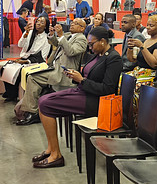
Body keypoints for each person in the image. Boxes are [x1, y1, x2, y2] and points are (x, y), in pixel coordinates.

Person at [32, 27, 122, 168]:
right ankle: (51, 148)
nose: (90, 47)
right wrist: (75, 76)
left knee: (45, 104)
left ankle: (56, 155)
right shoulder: (97, 55)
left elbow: (108, 89)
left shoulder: (113, 58)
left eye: (92, 44)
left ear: (103, 41)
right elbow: (88, 76)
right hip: (83, 92)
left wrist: (82, 80)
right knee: (42, 100)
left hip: (96, 102)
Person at [14, 18, 88, 125]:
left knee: (33, 78)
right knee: (30, 75)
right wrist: (53, 35)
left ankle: (32, 112)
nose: (72, 24)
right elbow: (56, 44)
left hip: (63, 73)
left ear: (82, 28)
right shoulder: (68, 35)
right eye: (72, 22)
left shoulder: (82, 39)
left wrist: (61, 36)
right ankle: (31, 109)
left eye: (76, 23)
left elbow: (71, 51)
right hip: (53, 67)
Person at [127, 15, 157, 122]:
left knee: (136, 87)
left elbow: (154, 64)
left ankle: (138, 121)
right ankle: (126, 118)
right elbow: (132, 60)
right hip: (140, 71)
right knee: (123, 80)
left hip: (153, 75)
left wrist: (142, 47)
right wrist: (130, 48)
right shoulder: (147, 41)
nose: (148, 27)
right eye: (147, 25)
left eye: (151, 25)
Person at [2, 16, 51, 102]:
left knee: (19, 71)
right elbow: (20, 45)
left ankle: (14, 94)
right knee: (4, 68)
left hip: (36, 61)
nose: (38, 23)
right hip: (24, 58)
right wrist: (26, 33)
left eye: (42, 22)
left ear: (45, 26)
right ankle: (11, 94)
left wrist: (26, 61)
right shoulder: (30, 32)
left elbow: (42, 57)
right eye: (37, 21)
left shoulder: (46, 38)